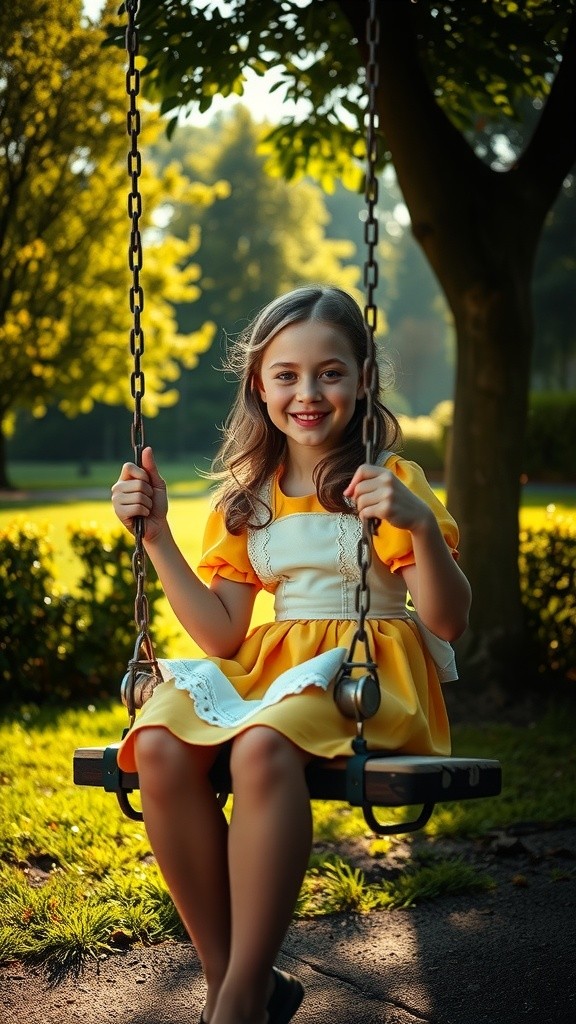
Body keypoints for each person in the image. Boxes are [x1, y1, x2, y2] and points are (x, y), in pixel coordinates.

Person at [111, 284, 472, 1024]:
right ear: (259, 385)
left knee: (260, 749)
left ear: (364, 379)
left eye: (330, 372)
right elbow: (221, 635)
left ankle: (236, 1003)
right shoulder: (249, 497)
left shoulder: (388, 482)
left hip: (368, 675)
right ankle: (241, 984)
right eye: (287, 375)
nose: (308, 393)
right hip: (277, 669)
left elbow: (448, 619)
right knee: (156, 740)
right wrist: (157, 538)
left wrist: (422, 531)